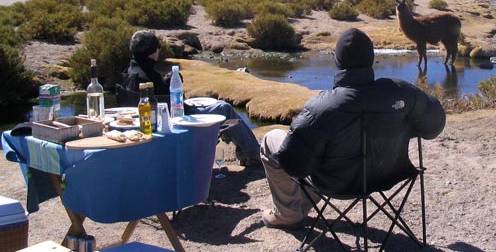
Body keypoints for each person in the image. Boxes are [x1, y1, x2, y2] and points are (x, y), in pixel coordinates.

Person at [260, 28, 446, 229]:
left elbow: (294, 165)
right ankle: (298, 207)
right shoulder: (401, 91)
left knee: (271, 139)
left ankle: (287, 214)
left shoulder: (321, 107)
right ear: (371, 59)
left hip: (334, 183)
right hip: (390, 173)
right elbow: (434, 126)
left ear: (338, 62)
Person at [123, 30, 261, 166]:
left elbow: (159, 93)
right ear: (152, 51)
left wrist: (167, 82)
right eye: (157, 47)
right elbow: (169, 102)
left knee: (218, 106)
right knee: (224, 108)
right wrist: (171, 84)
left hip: (156, 123)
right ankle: (253, 154)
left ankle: (243, 149)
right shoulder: (148, 76)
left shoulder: (131, 71)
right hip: (178, 119)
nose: (159, 50)